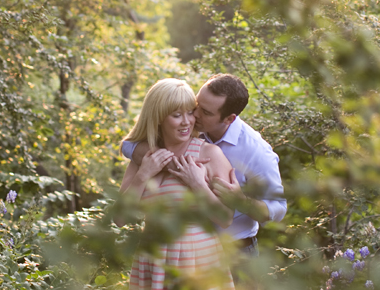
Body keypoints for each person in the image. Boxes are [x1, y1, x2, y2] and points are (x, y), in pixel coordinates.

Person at [122, 74, 287, 256]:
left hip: (234, 249)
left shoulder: (255, 151)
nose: (195, 116)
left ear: (228, 119)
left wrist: (241, 201)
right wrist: (170, 165)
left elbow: (277, 208)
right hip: (164, 252)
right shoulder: (185, 131)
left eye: (206, 113)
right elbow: (129, 144)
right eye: (197, 106)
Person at [118, 78, 237, 290]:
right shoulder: (144, 157)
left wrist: (197, 184)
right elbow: (120, 218)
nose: (187, 121)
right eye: (176, 115)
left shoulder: (208, 154)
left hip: (195, 261)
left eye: (189, 113)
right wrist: (143, 175)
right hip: (151, 261)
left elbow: (225, 218)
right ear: (159, 117)